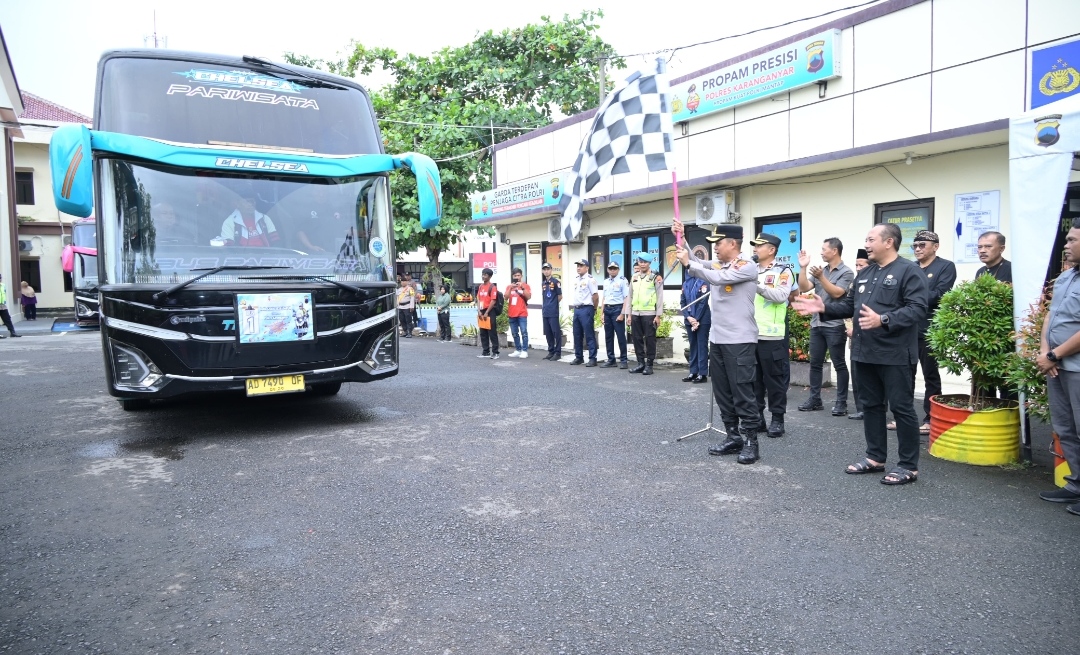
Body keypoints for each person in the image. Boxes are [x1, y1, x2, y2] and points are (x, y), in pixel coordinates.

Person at [792, 223, 928, 485]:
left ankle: (908, 466)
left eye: (870, 239)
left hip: (896, 354)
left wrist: (884, 319)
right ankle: (875, 457)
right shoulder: (865, 274)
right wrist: (823, 307)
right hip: (865, 353)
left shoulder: (908, 271)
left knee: (901, 409)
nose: (866, 244)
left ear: (889, 242)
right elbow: (847, 305)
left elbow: (918, 309)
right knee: (872, 406)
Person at [674, 221, 762, 465]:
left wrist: (689, 263)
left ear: (733, 244)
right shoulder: (719, 264)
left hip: (740, 340)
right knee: (723, 392)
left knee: (742, 392)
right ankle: (733, 436)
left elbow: (714, 276)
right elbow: (697, 262)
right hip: (719, 339)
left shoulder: (746, 266)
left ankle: (751, 442)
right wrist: (681, 237)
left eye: (718, 243)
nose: (714, 248)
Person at [1037, 217, 1080, 513]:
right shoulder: (1066, 277)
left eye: (1072, 240)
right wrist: (1044, 351)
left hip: (1074, 366)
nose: (1065, 246)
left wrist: (1054, 355)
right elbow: (1050, 317)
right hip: (1056, 364)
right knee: (1065, 428)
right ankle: (1077, 484)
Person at [905, 230, 956, 434]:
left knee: (930, 376)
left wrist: (913, 296)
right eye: (914, 246)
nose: (917, 249)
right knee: (905, 374)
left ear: (935, 246)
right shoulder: (911, 267)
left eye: (922, 245)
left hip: (930, 329)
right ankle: (905, 418)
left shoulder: (945, 266)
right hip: (908, 328)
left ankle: (930, 418)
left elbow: (939, 295)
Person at [797, 238, 854, 415]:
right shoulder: (821, 271)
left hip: (835, 324)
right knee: (815, 364)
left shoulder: (847, 272)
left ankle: (841, 403)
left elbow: (838, 293)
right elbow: (804, 287)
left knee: (839, 364)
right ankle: (815, 399)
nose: (821, 252)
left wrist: (822, 277)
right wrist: (803, 267)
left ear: (834, 250)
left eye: (824, 249)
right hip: (817, 323)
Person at [749, 232, 794, 438]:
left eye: (759, 246)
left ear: (772, 250)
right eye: (755, 246)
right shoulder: (750, 270)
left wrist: (756, 286)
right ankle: (758, 418)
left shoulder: (783, 272)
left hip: (772, 335)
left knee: (774, 379)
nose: (755, 249)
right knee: (754, 380)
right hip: (750, 334)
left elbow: (780, 296)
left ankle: (777, 419)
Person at [628, 252, 664, 375]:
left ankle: (649, 365)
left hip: (649, 313)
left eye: (645, 262)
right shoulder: (634, 277)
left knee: (650, 339)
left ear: (649, 263)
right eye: (640, 262)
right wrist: (629, 314)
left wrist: (658, 315)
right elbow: (630, 297)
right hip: (635, 313)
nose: (642, 264)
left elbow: (660, 297)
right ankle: (640, 363)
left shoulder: (655, 277)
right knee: (637, 339)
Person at [846, 249, 870, 420]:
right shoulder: (855, 282)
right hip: (854, 334)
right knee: (856, 372)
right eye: (856, 265)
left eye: (861, 264)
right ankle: (860, 407)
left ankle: (875, 408)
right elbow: (848, 308)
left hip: (872, 333)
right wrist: (849, 327)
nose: (858, 268)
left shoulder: (874, 281)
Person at [680, 264, 710, 384]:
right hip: (690, 319)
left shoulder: (704, 282)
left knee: (701, 345)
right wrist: (689, 318)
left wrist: (696, 319)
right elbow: (682, 303)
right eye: (688, 268)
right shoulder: (685, 283)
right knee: (693, 346)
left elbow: (703, 302)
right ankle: (693, 372)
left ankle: (702, 374)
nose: (689, 270)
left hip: (702, 319)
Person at [568, 259, 599, 367]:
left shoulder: (590, 280)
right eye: (577, 266)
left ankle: (592, 358)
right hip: (577, 309)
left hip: (586, 309)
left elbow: (595, 296)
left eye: (581, 266)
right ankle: (579, 357)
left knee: (589, 334)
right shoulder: (577, 280)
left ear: (587, 268)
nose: (578, 268)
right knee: (577, 334)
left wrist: (593, 309)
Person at [601, 261, 631, 369]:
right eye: (611, 268)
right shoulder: (606, 282)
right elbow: (604, 298)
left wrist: (623, 313)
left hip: (617, 309)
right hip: (607, 310)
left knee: (620, 336)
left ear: (618, 270)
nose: (613, 270)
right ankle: (611, 359)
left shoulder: (623, 281)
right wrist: (602, 313)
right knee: (608, 336)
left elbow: (626, 298)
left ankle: (623, 360)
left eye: (615, 268)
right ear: (608, 270)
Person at [506, 267, 532, 358]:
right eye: (515, 275)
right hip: (512, 313)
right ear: (512, 276)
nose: (517, 277)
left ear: (521, 276)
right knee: (514, 333)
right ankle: (518, 349)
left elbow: (528, 297)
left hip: (522, 313)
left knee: (524, 332)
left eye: (518, 275)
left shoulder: (526, 285)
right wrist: (510, 288)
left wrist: (522, 287)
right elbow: (505, 297)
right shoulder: (509, 286)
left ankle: (524, 350)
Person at [475, 268, 500, 360]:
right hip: (481, 311)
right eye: (482, 274)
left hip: (490, 311)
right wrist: (479, 311)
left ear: (489, 276)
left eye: (485, 275)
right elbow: (478, 298)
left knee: (492, 332)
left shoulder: (492, 287)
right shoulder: (481, 286)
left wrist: (486, 312)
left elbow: (493, 301)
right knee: (483, 332)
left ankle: (495, 352)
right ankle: (485, 351)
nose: (483, 276)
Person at [540, 262, 563, 360]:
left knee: (555, 332)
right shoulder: (543, 283)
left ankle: (557, 353)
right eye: (544, 269)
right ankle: (551, 351)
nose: (546, 271)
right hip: (545, 311)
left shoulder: (556, 282)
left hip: (553, 312)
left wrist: (552, 305)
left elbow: (560, 296)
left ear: (551, 270)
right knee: (548, 332)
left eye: (548, 269)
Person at [0, 273, 20, 338]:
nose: (0, 279)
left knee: (7, 319)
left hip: (2, 305)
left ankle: (12, 332)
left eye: (0, 278)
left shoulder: (2, 285)